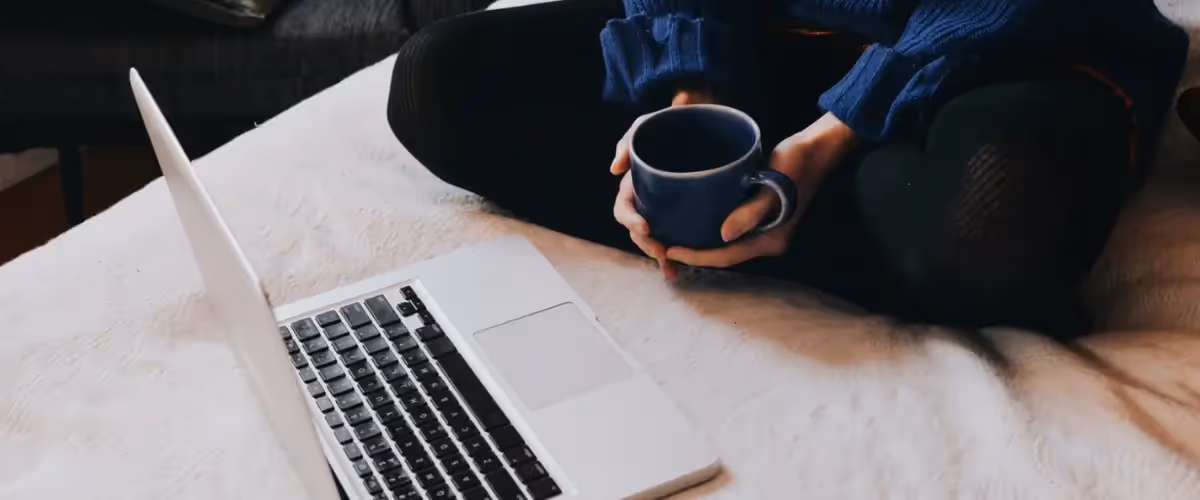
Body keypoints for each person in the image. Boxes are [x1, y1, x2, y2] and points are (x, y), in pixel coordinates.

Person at [387, 0, 1188, 336]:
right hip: (781, 28)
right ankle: (782, 221)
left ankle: (795, 209)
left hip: (1002, 42)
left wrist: (817, 144)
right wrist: (689, 101)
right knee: (438, 85)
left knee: (997, 207)